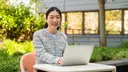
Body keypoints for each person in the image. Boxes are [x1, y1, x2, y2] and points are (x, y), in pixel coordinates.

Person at [33, 7, 68, 72]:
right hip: (43, 69)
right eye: (51, 17)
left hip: (59, 69)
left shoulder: (63, 36)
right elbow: (41, 54)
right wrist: (57, 60)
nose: (55, 20)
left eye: (57, 17)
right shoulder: (38, 35)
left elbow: (67, 54)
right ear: (46, 19)